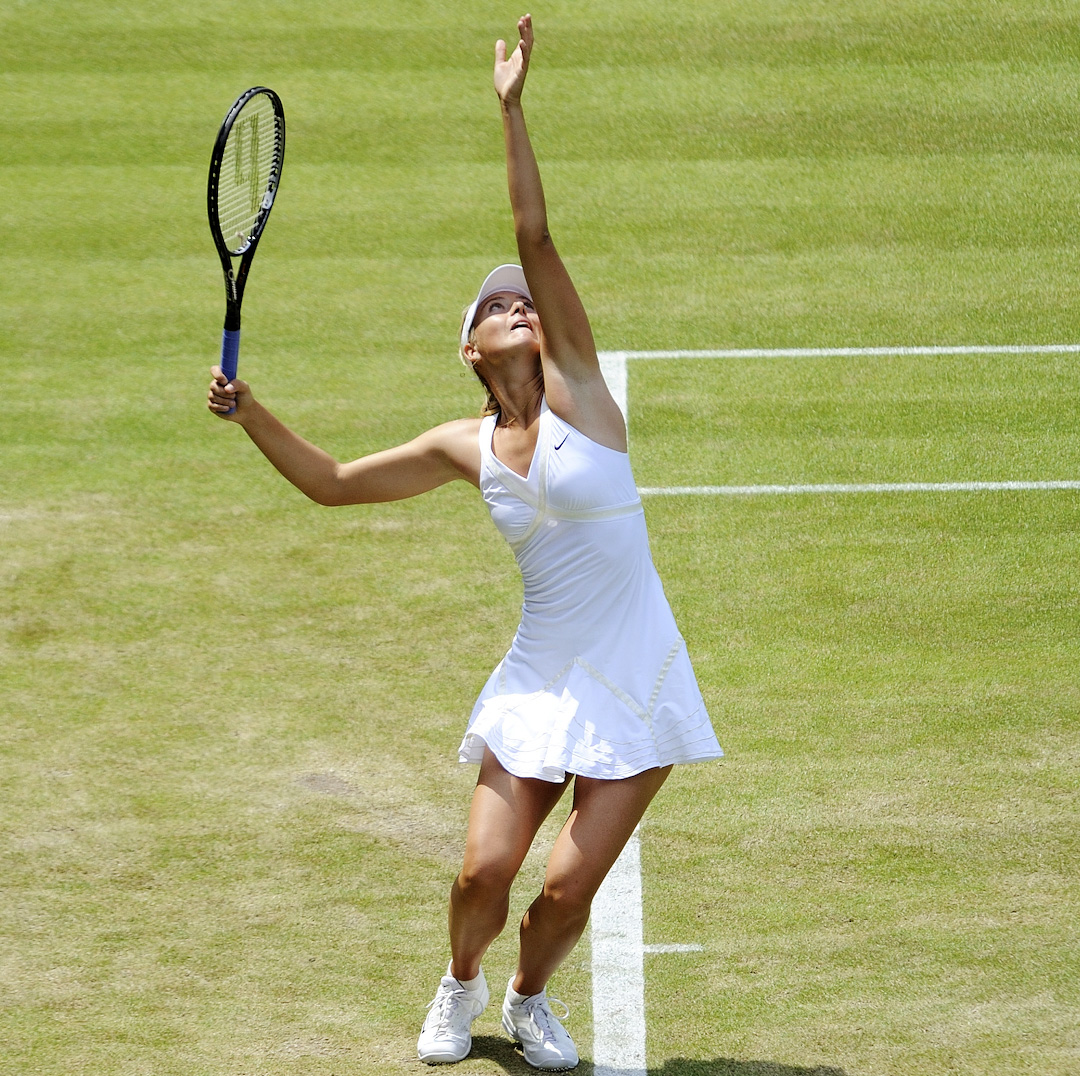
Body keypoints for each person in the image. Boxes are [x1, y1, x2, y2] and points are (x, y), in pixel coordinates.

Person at [207, 14, 722, 1071]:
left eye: (525, 304)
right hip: (538, 677)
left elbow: (537, 240)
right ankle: (459, 984)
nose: (520, 304)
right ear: (468, 347)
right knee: (479, 875)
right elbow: (336, 485)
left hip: (635, 675)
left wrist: (512, 106)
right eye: (497, 306)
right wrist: (252, 412)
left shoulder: (585, 399)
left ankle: (528, 997)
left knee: (565, 890)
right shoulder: (463, 444)